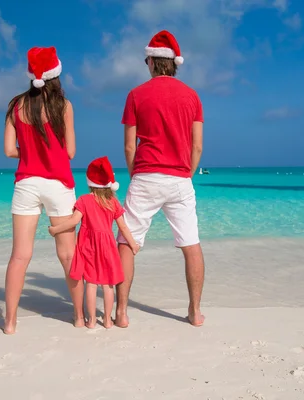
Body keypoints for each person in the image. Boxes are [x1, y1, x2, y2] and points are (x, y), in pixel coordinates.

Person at [116, 30, 205, 328]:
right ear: (174, 64)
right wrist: (187, 174)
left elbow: (129, 146)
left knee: (127, 242)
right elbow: (197, 146)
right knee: (190, 244)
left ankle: (122, 312)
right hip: (180, 179)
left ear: (152, 62)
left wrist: (135, 173)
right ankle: (194, 312)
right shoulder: (192, 96)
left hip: (146, 176)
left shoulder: (135, 95)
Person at [3, 46, 84, 334]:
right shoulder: (64, 106)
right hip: (58, 184)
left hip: (26, 183)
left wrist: (30, 152)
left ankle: (10, 322)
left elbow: (8, 150)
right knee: (68, 256)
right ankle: (77, 316)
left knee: (20, 256)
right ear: (56, 74)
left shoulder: (16, 105)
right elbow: (71, 151)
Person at [49, 157, 140, 329]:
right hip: (107, 247)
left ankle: (90, 321)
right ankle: (106, 320)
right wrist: (133, 244)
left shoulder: (83, 200)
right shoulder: (112, 202)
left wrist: (56, 229)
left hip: (88, 246)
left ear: (90, 182)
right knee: (107, 284)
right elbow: (123, 227)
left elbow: (74, 221)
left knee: (91, 282)